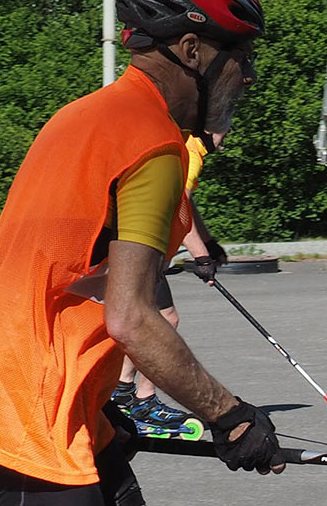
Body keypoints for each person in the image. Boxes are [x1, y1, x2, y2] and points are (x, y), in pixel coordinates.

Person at [0, 0, 283, 505]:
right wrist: (230, 416)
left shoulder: (85, 115)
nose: (250, 75)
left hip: (42, 392)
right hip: (29, 413)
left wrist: (101, 402)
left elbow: (66, 270)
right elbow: (132, 316)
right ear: (192, 51)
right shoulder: (152, 147)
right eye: (241, 56)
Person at [111, 131, 231, 438]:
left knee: (150, 318)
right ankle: (142, 401)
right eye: (223, 127)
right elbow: (181, 206)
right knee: (163, 319)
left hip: (138, 247)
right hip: (139, 248)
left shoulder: (190, 150)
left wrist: (208, 243)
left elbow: (187, 205)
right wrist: (201, 257)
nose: (226, 136)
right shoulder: (191, 152)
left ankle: (123, 393)